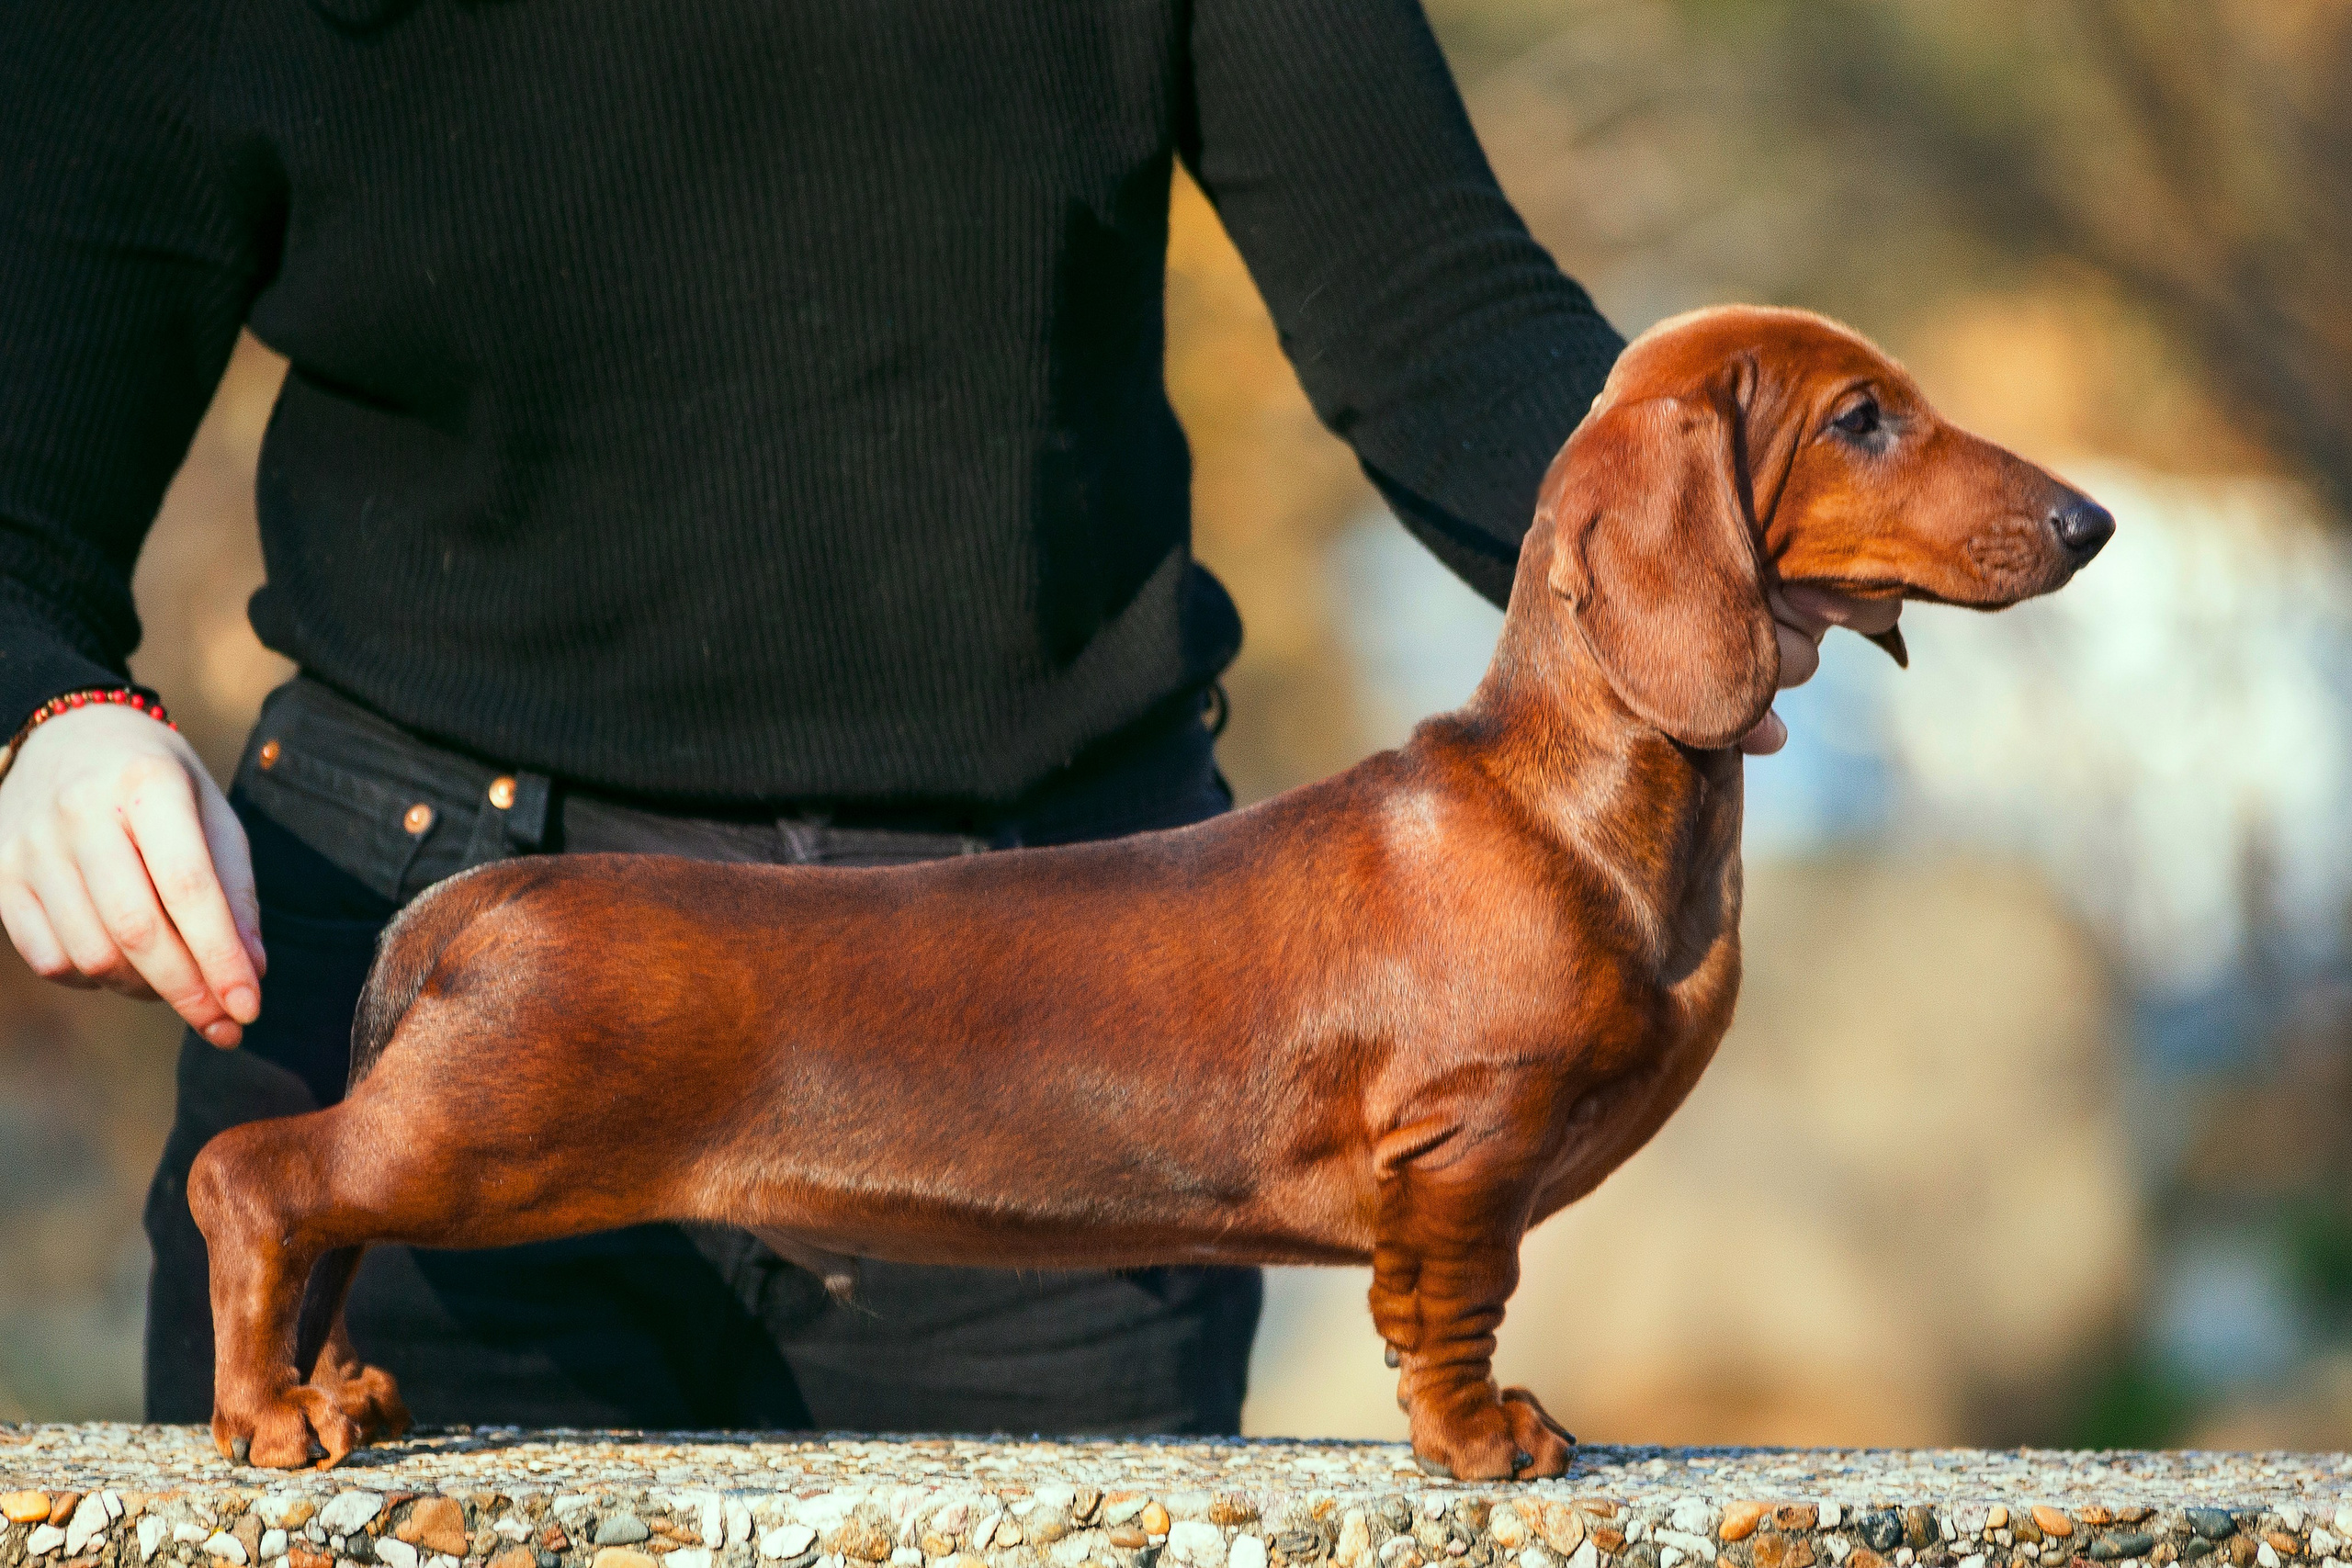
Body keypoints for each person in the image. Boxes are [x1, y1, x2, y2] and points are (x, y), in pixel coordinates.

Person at [0, 0, 1897, 1437]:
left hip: (1085, 992)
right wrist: (56, 714)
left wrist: (1676, 566)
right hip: (466, 950)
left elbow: (1436, 313)